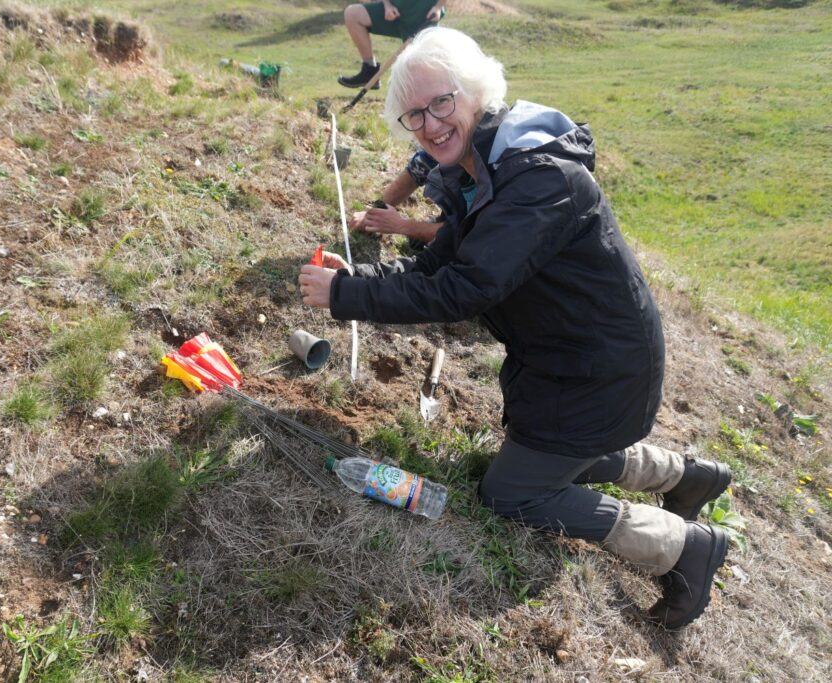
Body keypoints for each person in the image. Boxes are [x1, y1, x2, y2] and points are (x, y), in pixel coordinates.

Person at [300, 27, 732, 630]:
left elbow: (465, 288)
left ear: (476, 91)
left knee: (512, 495)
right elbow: (440, 263)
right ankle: (689, 476)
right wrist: (363, 275)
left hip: (601, 372)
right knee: (553, 460)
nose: (429, 124)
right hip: (569, 361)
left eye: (441, 103)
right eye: (414, 115)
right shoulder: (482, 169)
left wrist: (347, 296)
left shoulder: (538, 179)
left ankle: (687, 548)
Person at [338, 1, 447, 89]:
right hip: (394, 13)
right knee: (353, 14)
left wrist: (438, 7)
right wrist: (387, 5)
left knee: (422, 77)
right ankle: (369, 71)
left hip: (423, 17)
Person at [350, 149, 444, 246]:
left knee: (439, 248)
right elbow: (418, 169)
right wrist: (377, 212)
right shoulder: (445, 146)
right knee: (416, 241)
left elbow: (458, 234)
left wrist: (400, 225)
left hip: (459, 234)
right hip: (453, 217)